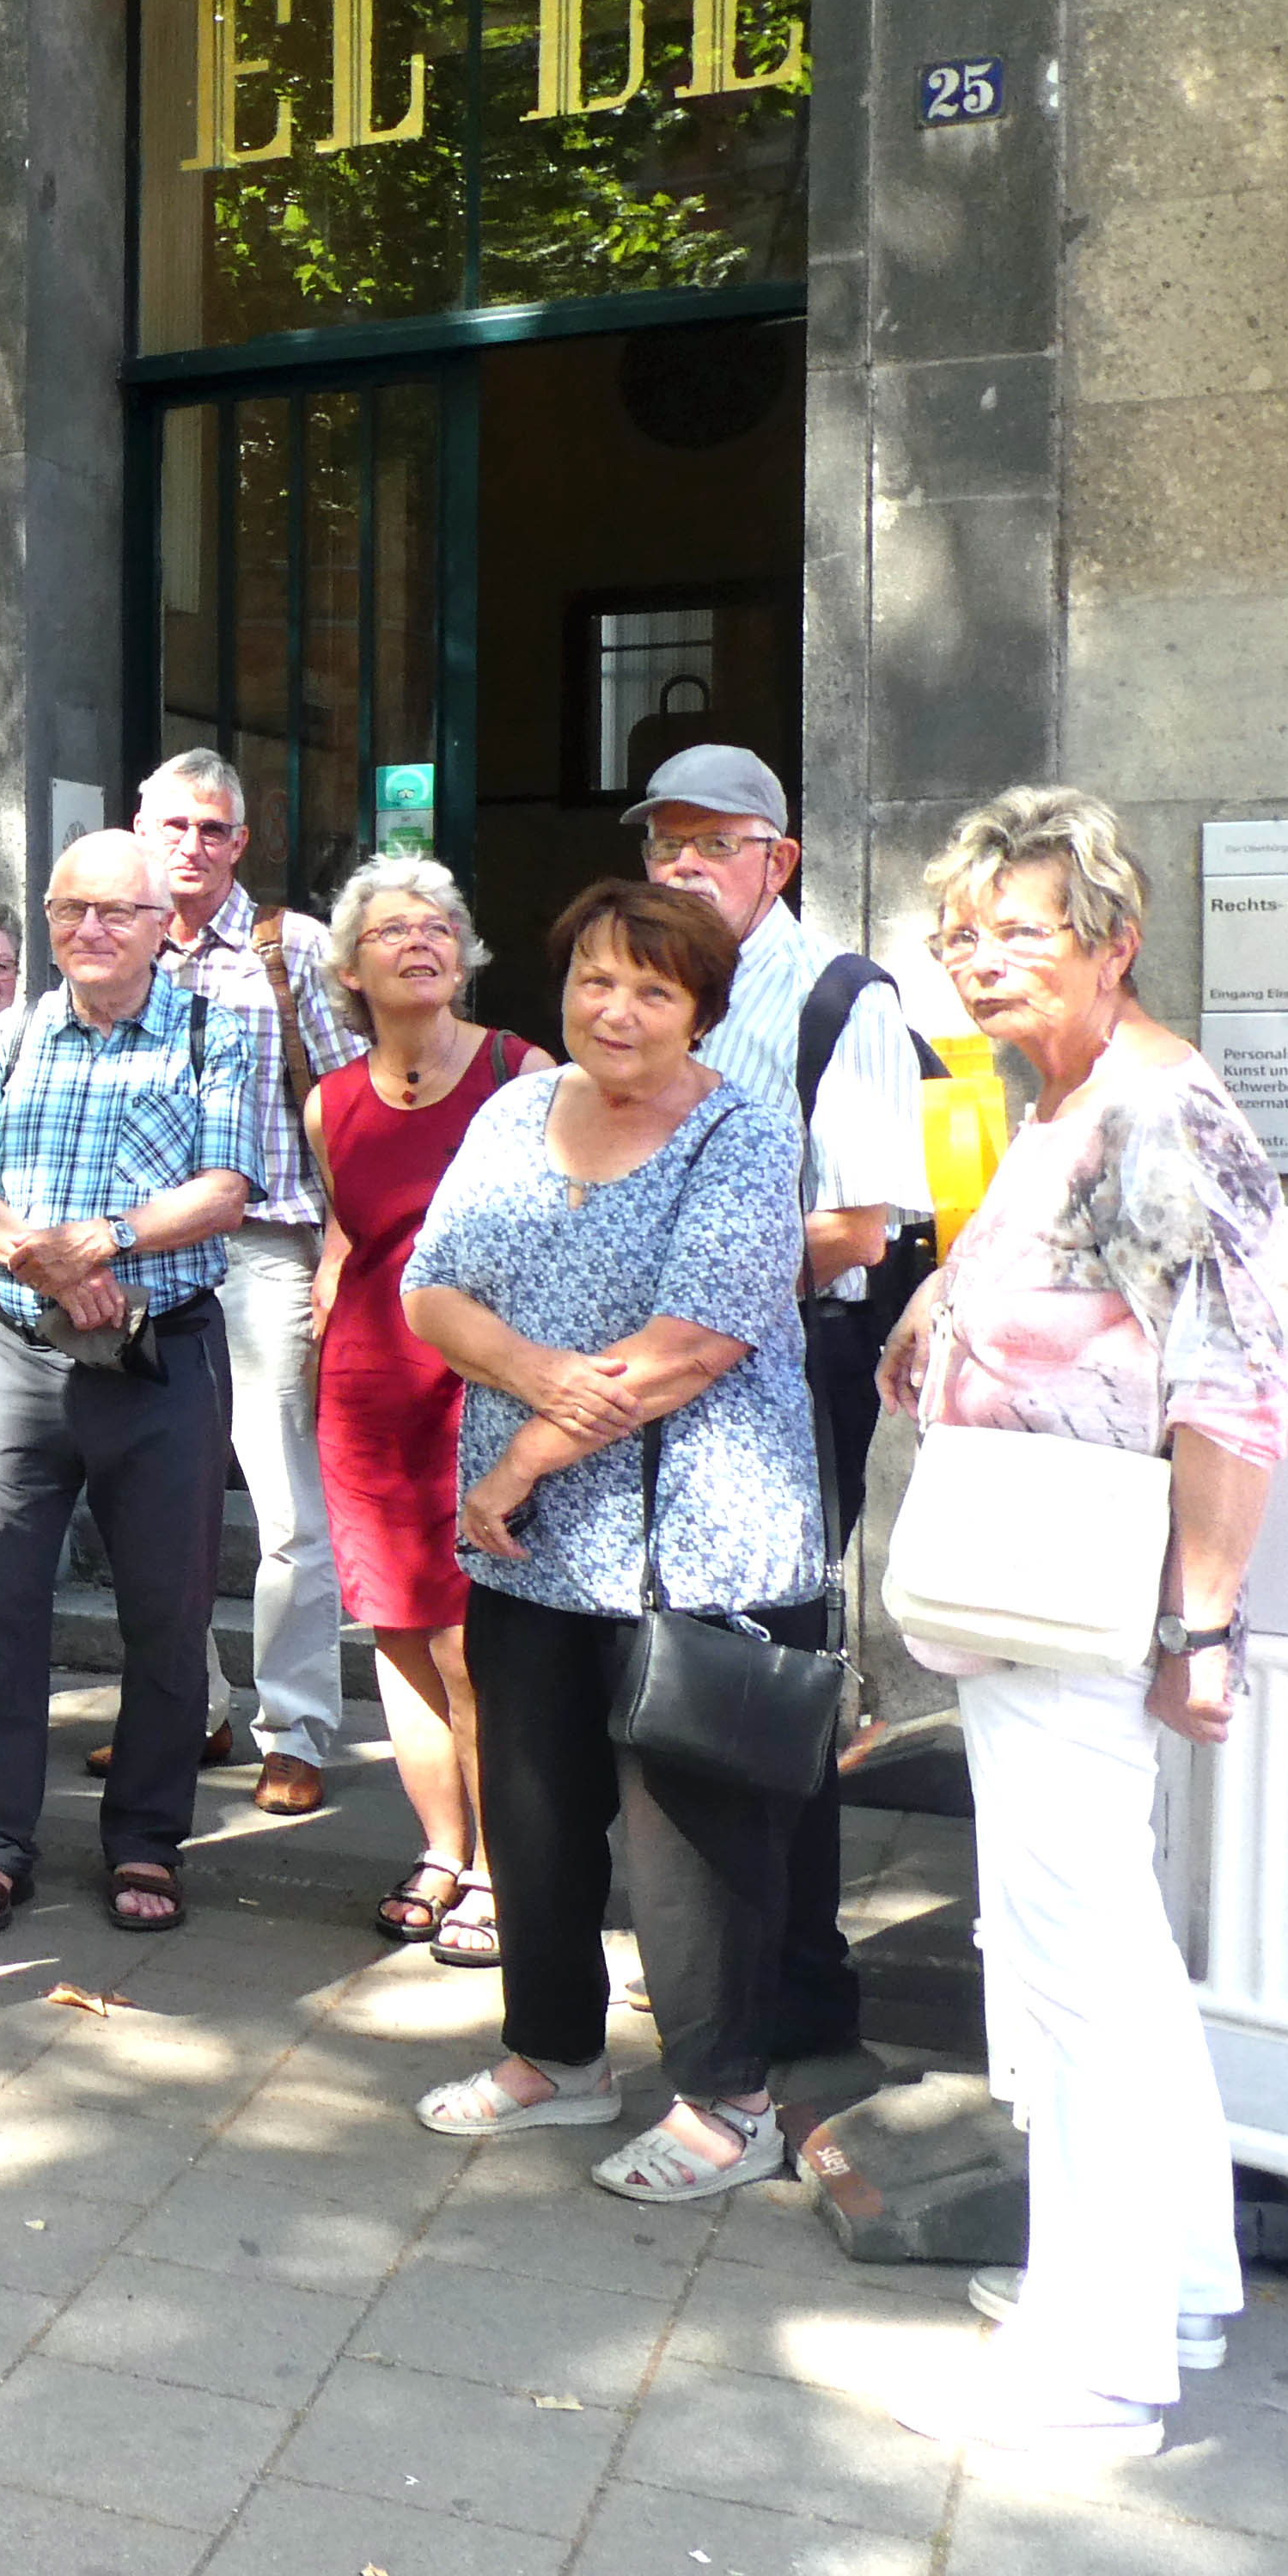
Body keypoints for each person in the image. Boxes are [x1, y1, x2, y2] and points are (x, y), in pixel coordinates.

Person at [879, 788, 1284, 2463]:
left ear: (1110, 941)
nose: (979, 961)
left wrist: (1200, 1624)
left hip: (1076, 1600)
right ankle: (1173, 2280)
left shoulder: (1152, 1113)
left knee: (1077, 1974)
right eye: (958, 932)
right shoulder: (1069, 1103)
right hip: (1025, 1590)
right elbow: (1048, 1279)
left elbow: (1229, 1386)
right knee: (1101, 1948)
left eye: (1017, 932)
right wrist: (932, 1305)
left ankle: (1097, 2362)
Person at [400, 880, 826, 2204]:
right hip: (531, 1543)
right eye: (594, 977)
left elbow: (700, 1336)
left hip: (694, 1538)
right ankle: (556, 2052)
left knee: (689, 1838)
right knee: (531, 1808)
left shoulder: (741, 1137)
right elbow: (430, 1285)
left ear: (703, 1005)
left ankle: (728, 2097)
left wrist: (528, 1445)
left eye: (652, 987)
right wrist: (538, 1378)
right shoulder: (515, 1108)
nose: (616, 1008)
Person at [628, 742, 931, 2083]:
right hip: (675, 1368)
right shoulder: (664, 994)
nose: (683, 866)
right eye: (663, 845)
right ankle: (721, 1968)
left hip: (790, 1370)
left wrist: (688, 1287)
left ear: (779, 859)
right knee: (689, 1657)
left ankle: (801, 1986)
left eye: (712, 843)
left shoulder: (839, 999)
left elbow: (858, 1222)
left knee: (766, 1665)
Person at [0, 829, 261, 1940]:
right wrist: (38, 1255)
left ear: (163, 920)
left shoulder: (217, 1024)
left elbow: (224, 1189)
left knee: (167, 1611)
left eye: (115, 911)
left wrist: (100, 1242)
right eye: (70, 909)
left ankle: (147, 1838)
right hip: (24, 1357)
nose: (90, 930)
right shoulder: (12, 1034)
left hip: (162, 1357)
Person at [305, 858, 547, 1964]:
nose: (422, 941)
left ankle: (506, 1868)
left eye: (440, 925)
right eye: (394, 929)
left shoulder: (519, 1071)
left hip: (479, 1387)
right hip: (365, 1390)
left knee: (469, 1646)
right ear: (350, 968)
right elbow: (354, 1226)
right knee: (398, 1637)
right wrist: (324, 1279)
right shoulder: (329, 1100)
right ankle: (441, 1850)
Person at [137, 753, 365, 1813]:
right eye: (173, 825)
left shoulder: (296, 950)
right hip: (142, 1260)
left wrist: (341, 1245)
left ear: (240, 844)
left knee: (283, 1510)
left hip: (265, 1251)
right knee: (160, 1508)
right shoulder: (114, 942)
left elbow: (350, 1111)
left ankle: (298, 1729)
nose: (191, 844)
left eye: (212, 830)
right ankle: (193, 1712)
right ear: (144, 828)